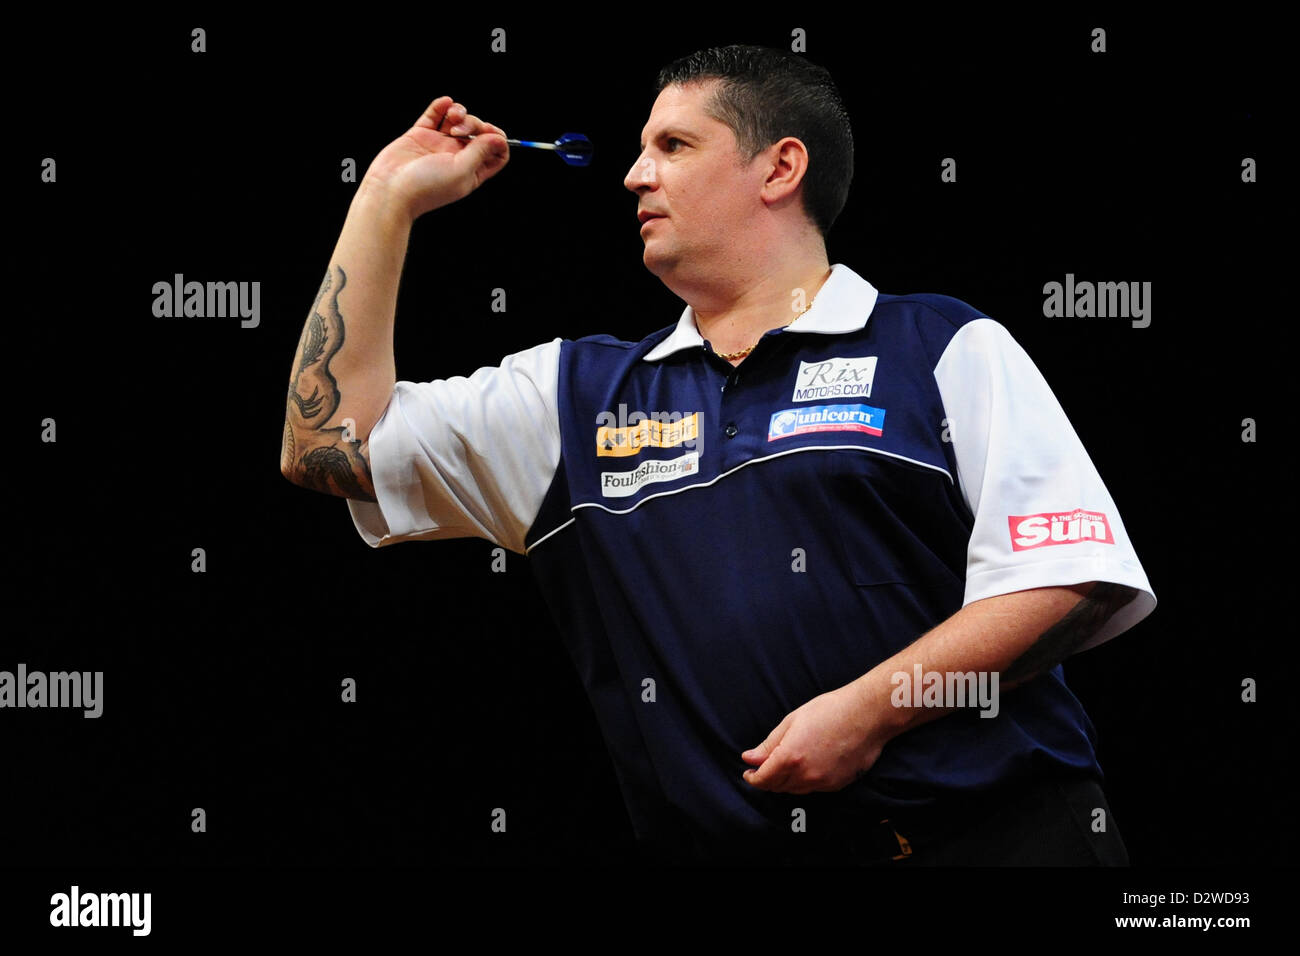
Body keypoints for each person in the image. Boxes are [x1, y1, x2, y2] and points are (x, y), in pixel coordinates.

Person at [280, 45, 1156, 866]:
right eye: (638, 148)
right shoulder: (570, 397)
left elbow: (1070, 578)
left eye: (673, 144)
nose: (634, 175)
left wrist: (867, 714)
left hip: (1003, 842)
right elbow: (324, 445)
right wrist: (385, 199)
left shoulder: (941, 343)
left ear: (779, 168)